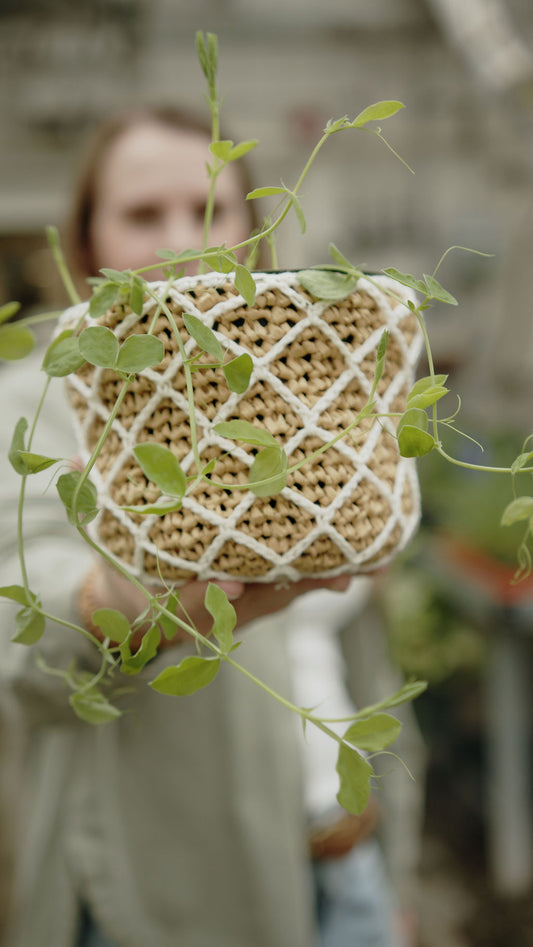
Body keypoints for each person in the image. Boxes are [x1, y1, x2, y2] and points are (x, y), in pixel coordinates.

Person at [1, 106, 414, 947]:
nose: (179, 242)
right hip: (158, 900)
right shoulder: (43, 397)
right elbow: (23, 647)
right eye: (141, 214)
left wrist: (392, 861)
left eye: (208, 209)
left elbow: (358, 656)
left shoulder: (307, 378)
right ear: (85, 245)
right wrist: (130, 603)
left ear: (253, 235)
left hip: (347, 866)